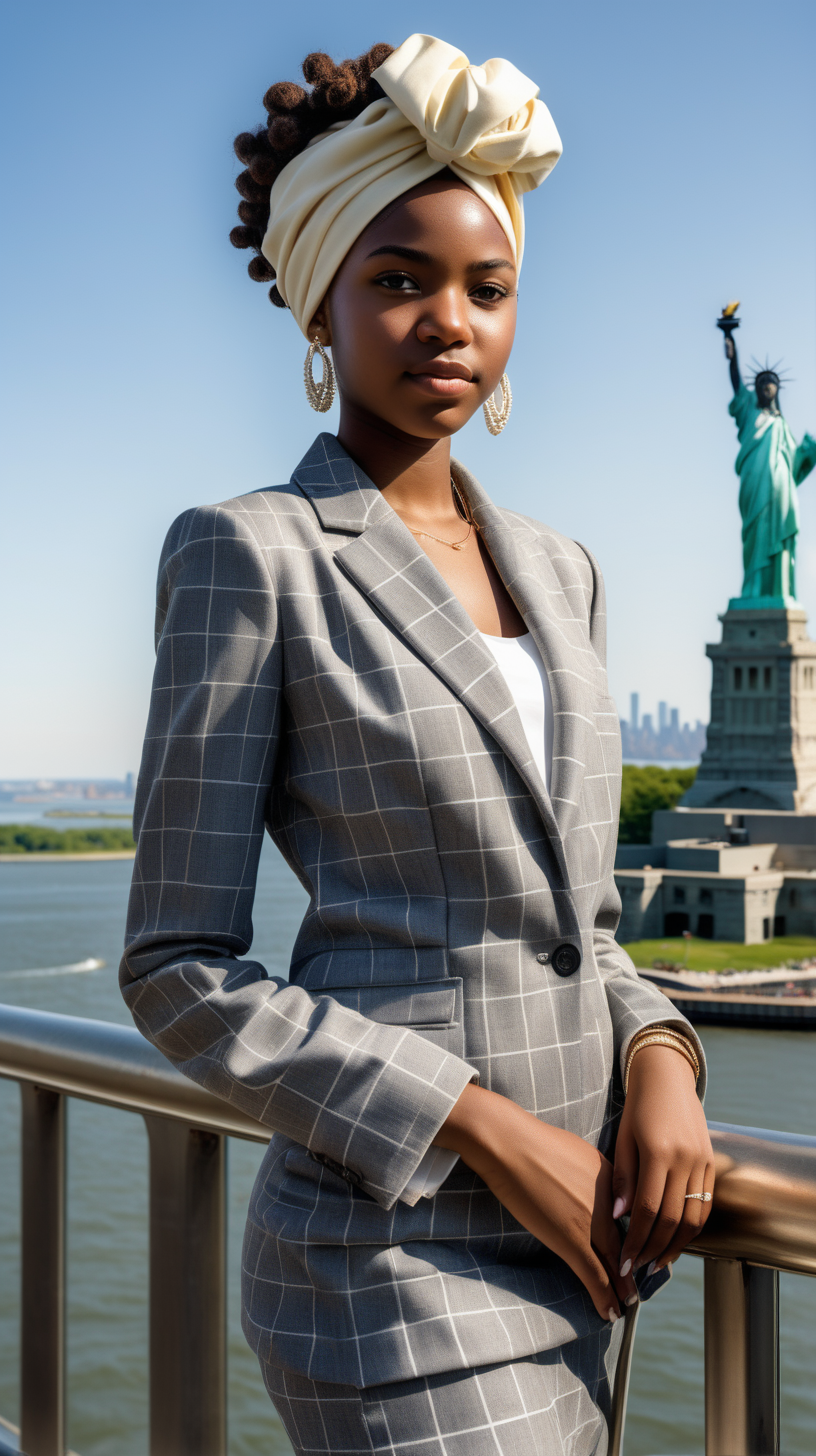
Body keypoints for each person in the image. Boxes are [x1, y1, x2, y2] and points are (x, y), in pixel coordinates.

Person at [121, 34, 713, 1455]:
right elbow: (175, 970)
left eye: (486, 288)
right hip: (387, 1263)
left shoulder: (560, 570)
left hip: (591, 1252)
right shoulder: (250, 553)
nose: (449, 320)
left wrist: (666, 1061)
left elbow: (584, 924)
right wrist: (482, 1129)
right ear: (320, 306)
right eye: (399, 280)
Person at [724, 331, 815, 602]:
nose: (765, 386)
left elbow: (795, 463)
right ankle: (753, 590)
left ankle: (778, 591)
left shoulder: (782, 424)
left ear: (776, 389)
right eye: (761, 383)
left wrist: (809, 453)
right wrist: (731, 344)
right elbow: (736, 382)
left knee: (781, 532)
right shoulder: (749, 411)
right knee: (754, 533)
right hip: (754, 482)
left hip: (782, 490)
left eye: (770, 383)